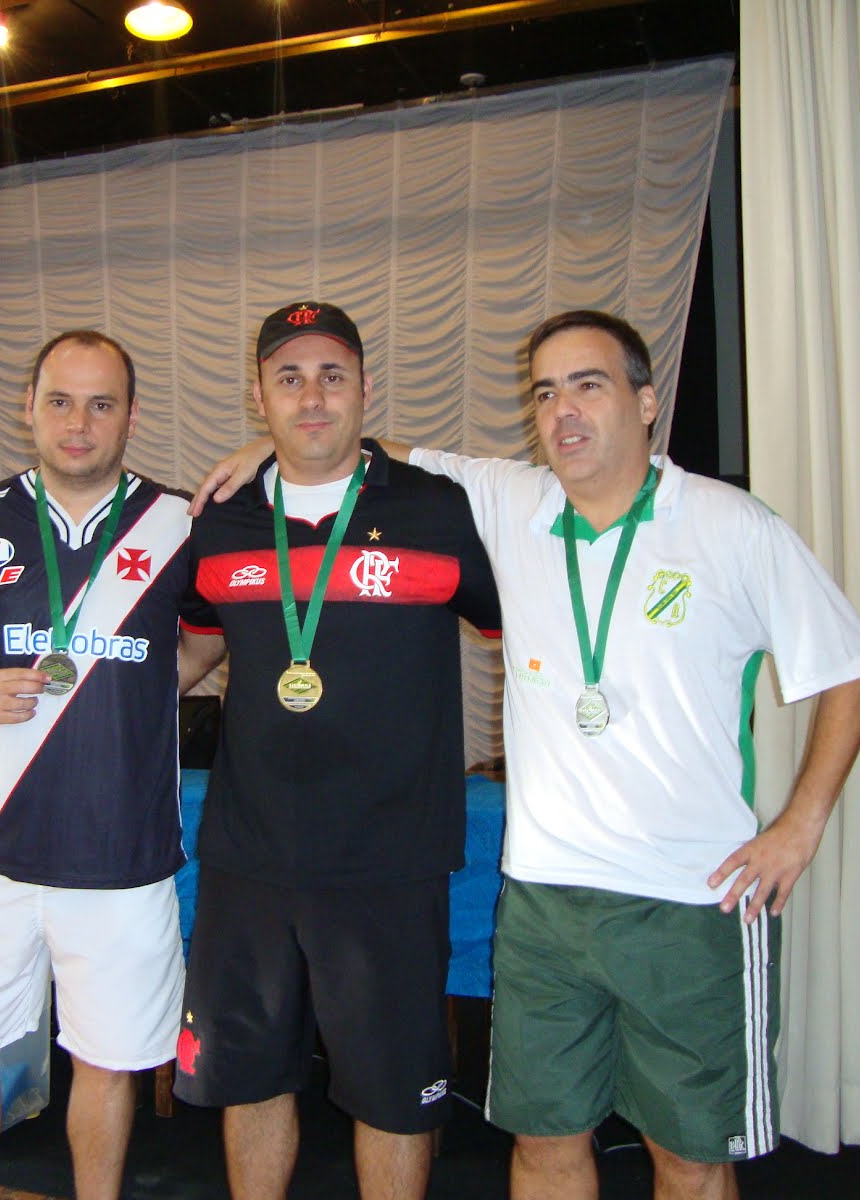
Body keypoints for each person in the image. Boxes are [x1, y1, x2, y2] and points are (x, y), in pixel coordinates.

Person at [196, 308, 860, 1200]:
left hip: (692, 896)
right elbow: (352, 448)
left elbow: (850, 665)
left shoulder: (728, 524)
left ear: (646, 401)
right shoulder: (512, 503)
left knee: (688, 1157)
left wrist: (801, 822)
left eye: (588, 386)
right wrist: (272, 446)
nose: (564, 411)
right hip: (543, 898)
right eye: (547, 392)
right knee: (544, 1144)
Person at [174, 302, 500, 1200]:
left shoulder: (435, 508)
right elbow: (195, 648)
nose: (311, 397)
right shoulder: (222, 520)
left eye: (331, 376)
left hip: (388, 861)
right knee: (251, 1081)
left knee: (394, 1098)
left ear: (365, 388)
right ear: (259, 395)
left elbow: (519, 629)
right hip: (249, 855)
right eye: (289, 378)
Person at [0, 330, 222, 1200]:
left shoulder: (178, 522)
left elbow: (204, 641)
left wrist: (141, 686)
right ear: (29, 408)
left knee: (106, 1066)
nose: (79, 424)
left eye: (101, 404)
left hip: (122, 859)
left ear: (132, 415)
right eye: (61, 402)